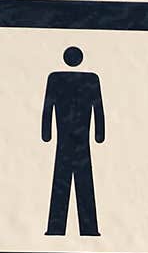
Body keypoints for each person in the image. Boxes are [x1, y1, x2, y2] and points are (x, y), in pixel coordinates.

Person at [41, 46, 105, 236]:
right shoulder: (91, 79)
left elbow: (47, 107)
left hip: (66, 138)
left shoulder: (55, 78)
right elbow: (98, 109)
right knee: (82, 180)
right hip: (78, 139)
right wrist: (99, 134)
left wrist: (46, 133)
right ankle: (87, 228)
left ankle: (57, 228)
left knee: (62, 180)